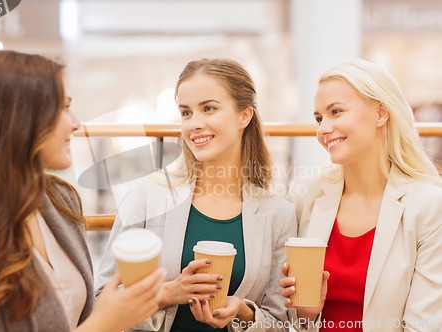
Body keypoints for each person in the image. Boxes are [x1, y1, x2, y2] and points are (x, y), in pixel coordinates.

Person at [0, 50, 165, 332]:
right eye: (63, 107)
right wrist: (104, 324)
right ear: (19, 117)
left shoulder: (61, 199)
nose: (75, 123)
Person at [96, 58, 297, 332]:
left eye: (209, 109)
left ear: (244, 116)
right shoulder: (148, 195)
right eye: (186, 112)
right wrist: (168, 293)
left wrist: (243, 312)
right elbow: (100, 301)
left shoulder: (278, 214)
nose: (194, 124)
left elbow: (284, 324)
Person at [280, 59, 442, 331]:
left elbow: (425, 325)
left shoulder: (429, 206)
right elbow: (293, 322)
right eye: (319, 118)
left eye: (336, 112)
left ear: (380, 113)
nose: (322, 129)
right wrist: (306, 315)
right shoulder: (305, 197)